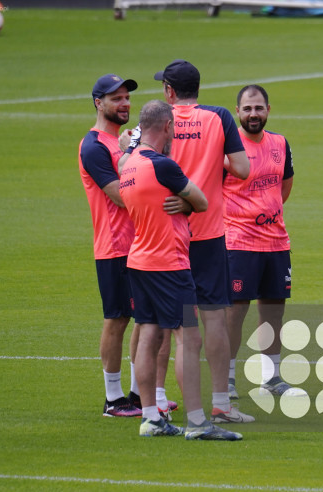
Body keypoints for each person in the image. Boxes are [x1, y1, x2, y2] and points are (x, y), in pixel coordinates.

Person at [120, 99, 241, 440]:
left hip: (139, 262)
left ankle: (151, 418)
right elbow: (202, 201)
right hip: (170, 265)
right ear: (167, 126)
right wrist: (187, 203)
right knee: (189, 338)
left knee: (148, 334)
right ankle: (198, 423)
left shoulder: (130, 164)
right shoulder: (163, 166)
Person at [153, 60, 253, 424]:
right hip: (209, 235)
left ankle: (180, 407)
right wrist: (213, 162)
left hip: (171, 236)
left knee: (181, 328)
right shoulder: (219, 117)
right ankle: (222, 404)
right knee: (214, 319)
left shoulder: (159, 120)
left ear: (169, 90)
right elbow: (242, 169)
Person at [223, 85, 294, 398]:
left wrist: (266, 212)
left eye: (259, 108)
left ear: (268, 110)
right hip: (238, 243)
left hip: (276, 242)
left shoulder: (280, 143)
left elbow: (285, 185)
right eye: (248, 108)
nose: (254, 114)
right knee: (235, 312)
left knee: (274, 312)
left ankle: (272, 377)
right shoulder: (227, 148)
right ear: (237, 111)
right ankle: (226, 379)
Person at [79, 73, 142, 418]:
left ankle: (139, 394)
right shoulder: (94, 146)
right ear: (98, 103)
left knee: (145, 319)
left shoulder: (121, 140)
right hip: (116, 246)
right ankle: (113, 399)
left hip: (140, 243)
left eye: (127, 97)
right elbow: (120, 196)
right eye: (116, 98)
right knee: (117, 319)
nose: (124, 103)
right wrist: (134, 152)